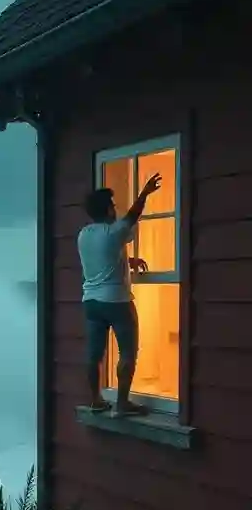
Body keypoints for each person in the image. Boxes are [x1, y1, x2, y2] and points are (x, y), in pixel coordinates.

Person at [77, 173, 162, 416]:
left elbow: (103, 257)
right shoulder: (112, 232)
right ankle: (122, 403)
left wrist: (128, 260)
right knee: (127, 351)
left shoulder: (85, 234)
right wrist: (144, 193)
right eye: (113, 205)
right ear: (107, 209)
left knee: (94, 355)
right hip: (116, 301)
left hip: (91, 302)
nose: (116, 209)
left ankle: (96, 400)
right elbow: (132, 217)